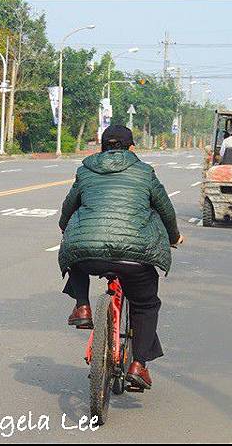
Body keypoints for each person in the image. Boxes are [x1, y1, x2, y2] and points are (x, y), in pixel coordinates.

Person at [58, 125, 184, 390]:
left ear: (101, 147)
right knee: (145, 304)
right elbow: (166, 210)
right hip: (134, 259)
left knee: (76, 251)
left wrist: (66, 228)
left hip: (89, 255)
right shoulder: (145, 173)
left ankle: (82, 306)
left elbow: (68, 209)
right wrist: (173, 237)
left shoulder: (85, 171)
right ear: (132, 148)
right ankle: (139, 365)